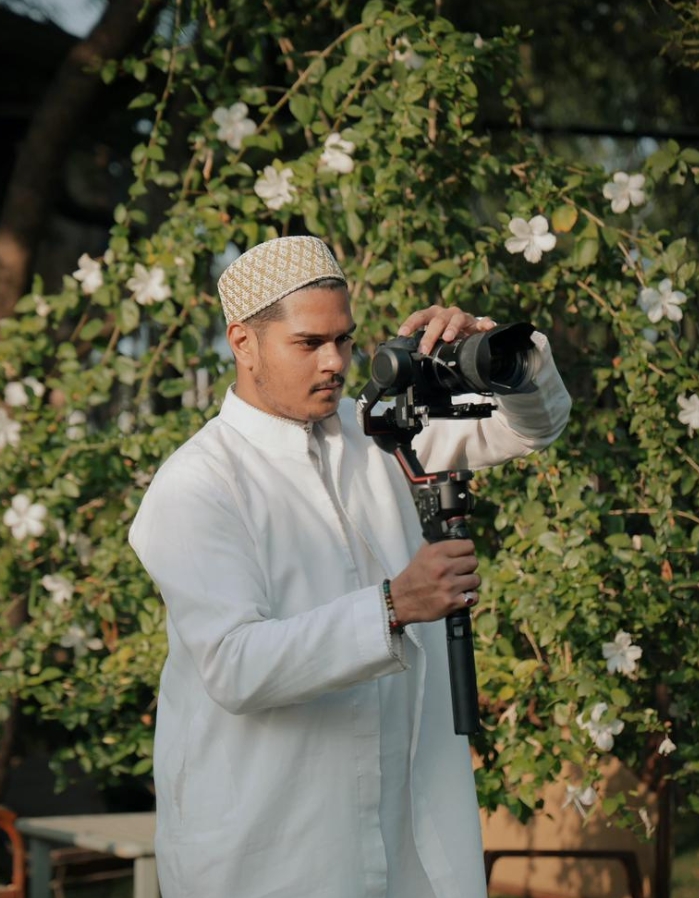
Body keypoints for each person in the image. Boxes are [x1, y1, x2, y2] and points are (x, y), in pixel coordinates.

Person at [129, 235, 571, 898]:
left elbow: (533, 425)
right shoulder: (197, 484)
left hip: (405, 843)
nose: (335, 362)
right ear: (243, 342)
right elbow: (234, 664)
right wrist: (393, 607)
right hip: (269, 852)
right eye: (309, 344)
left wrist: (497, 352)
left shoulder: (381, 430)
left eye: (344, 339)